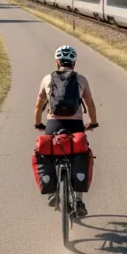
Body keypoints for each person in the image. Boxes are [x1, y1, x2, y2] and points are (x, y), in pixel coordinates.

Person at [34, 45, 98, 216]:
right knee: (80, 155)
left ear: (57, 62)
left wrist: (38, 124)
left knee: (49, 152)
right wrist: (93, 123)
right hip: (75, 125)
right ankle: (78, 200)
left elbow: (38, 106)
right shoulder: (81, 80)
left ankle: (54, 192)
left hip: (53, 124)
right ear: (74, 63)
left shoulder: (47, 79)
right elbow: (90, 104)